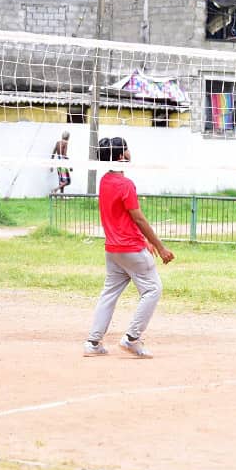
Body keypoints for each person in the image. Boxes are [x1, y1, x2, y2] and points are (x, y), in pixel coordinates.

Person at [83, 136, 174, 358]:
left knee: (109, 294)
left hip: (113, 250)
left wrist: (145, 241)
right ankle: (132, 338)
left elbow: (121, 217)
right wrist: (159, 246)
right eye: (127, 150)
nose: (130, 153)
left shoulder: (105, 181)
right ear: (121, 156)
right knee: (153, 290)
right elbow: (139, 219)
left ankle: (93, 343)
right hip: (130, 249)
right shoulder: (125, 184)